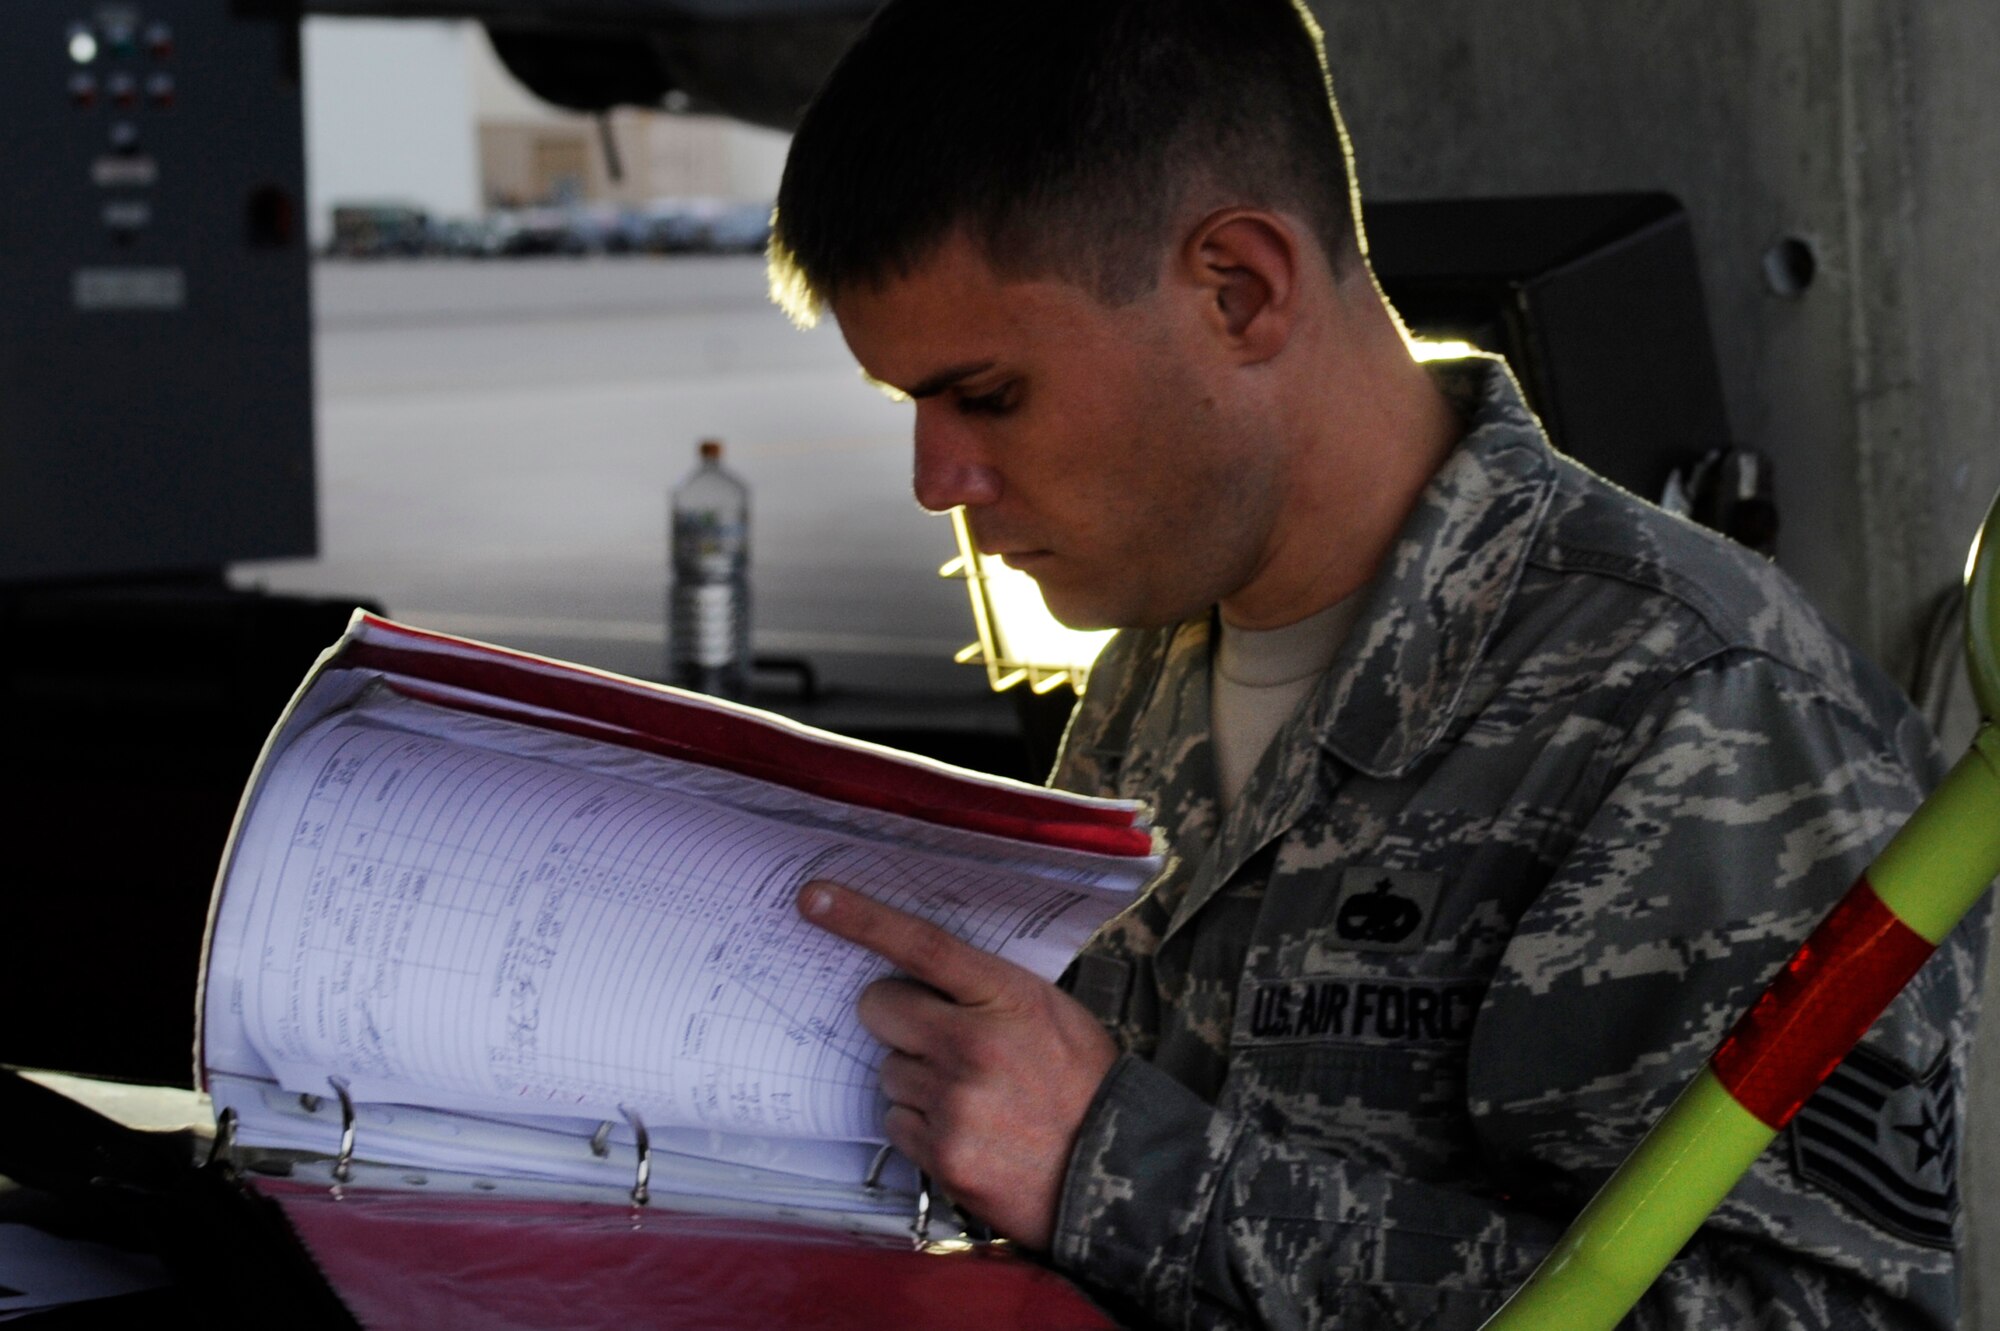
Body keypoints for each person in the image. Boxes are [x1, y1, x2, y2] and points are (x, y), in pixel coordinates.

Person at [768, 1, 1987, 1326]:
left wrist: (1118, 1171)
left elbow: (1799, 1319)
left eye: (989, 396)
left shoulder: (1698, 703)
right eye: (916, 410)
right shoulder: (1156, 659)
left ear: (1240, 287)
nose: (936, 481)